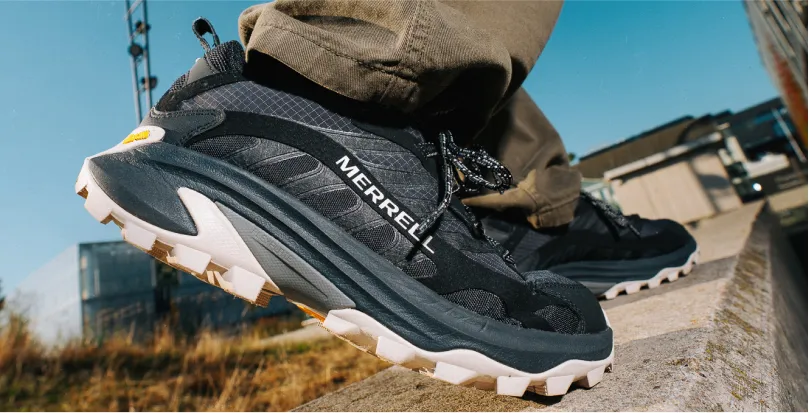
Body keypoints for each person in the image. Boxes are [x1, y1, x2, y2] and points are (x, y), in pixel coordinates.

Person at [75, 1, 693, 397]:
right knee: (384, 55)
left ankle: (519, 202)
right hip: (316, 105)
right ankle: (332, 91)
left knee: (450, 77)